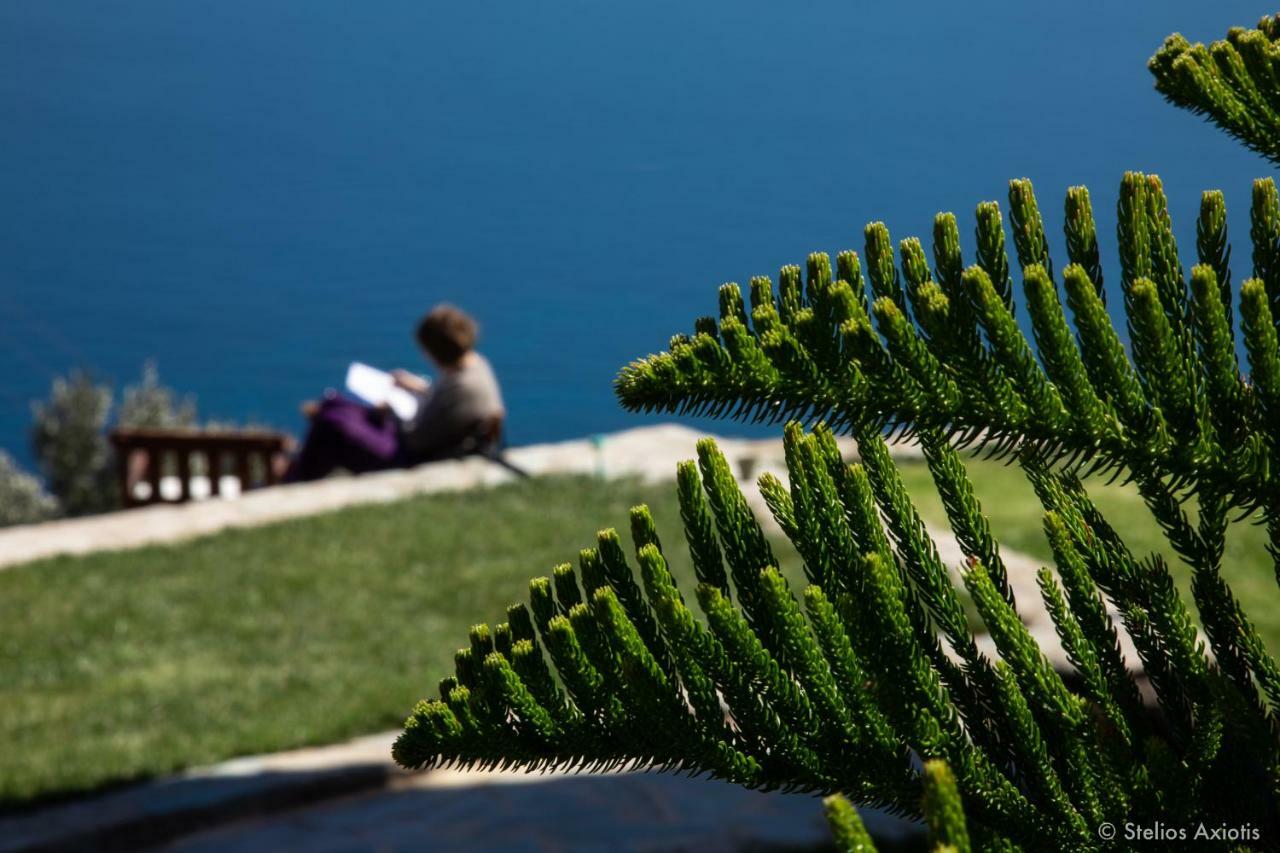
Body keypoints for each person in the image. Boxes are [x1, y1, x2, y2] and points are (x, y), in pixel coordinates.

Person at [283, 304, 505, 482]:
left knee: (331, 426)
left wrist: (392, 413)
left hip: (408, 458)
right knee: (334, 405)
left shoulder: (463, 385)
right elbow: (447, 402)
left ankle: (294, 483)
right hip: (422, 442)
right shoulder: (474, 366)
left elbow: (416, 440)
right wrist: (418, 387)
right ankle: (299, 466)